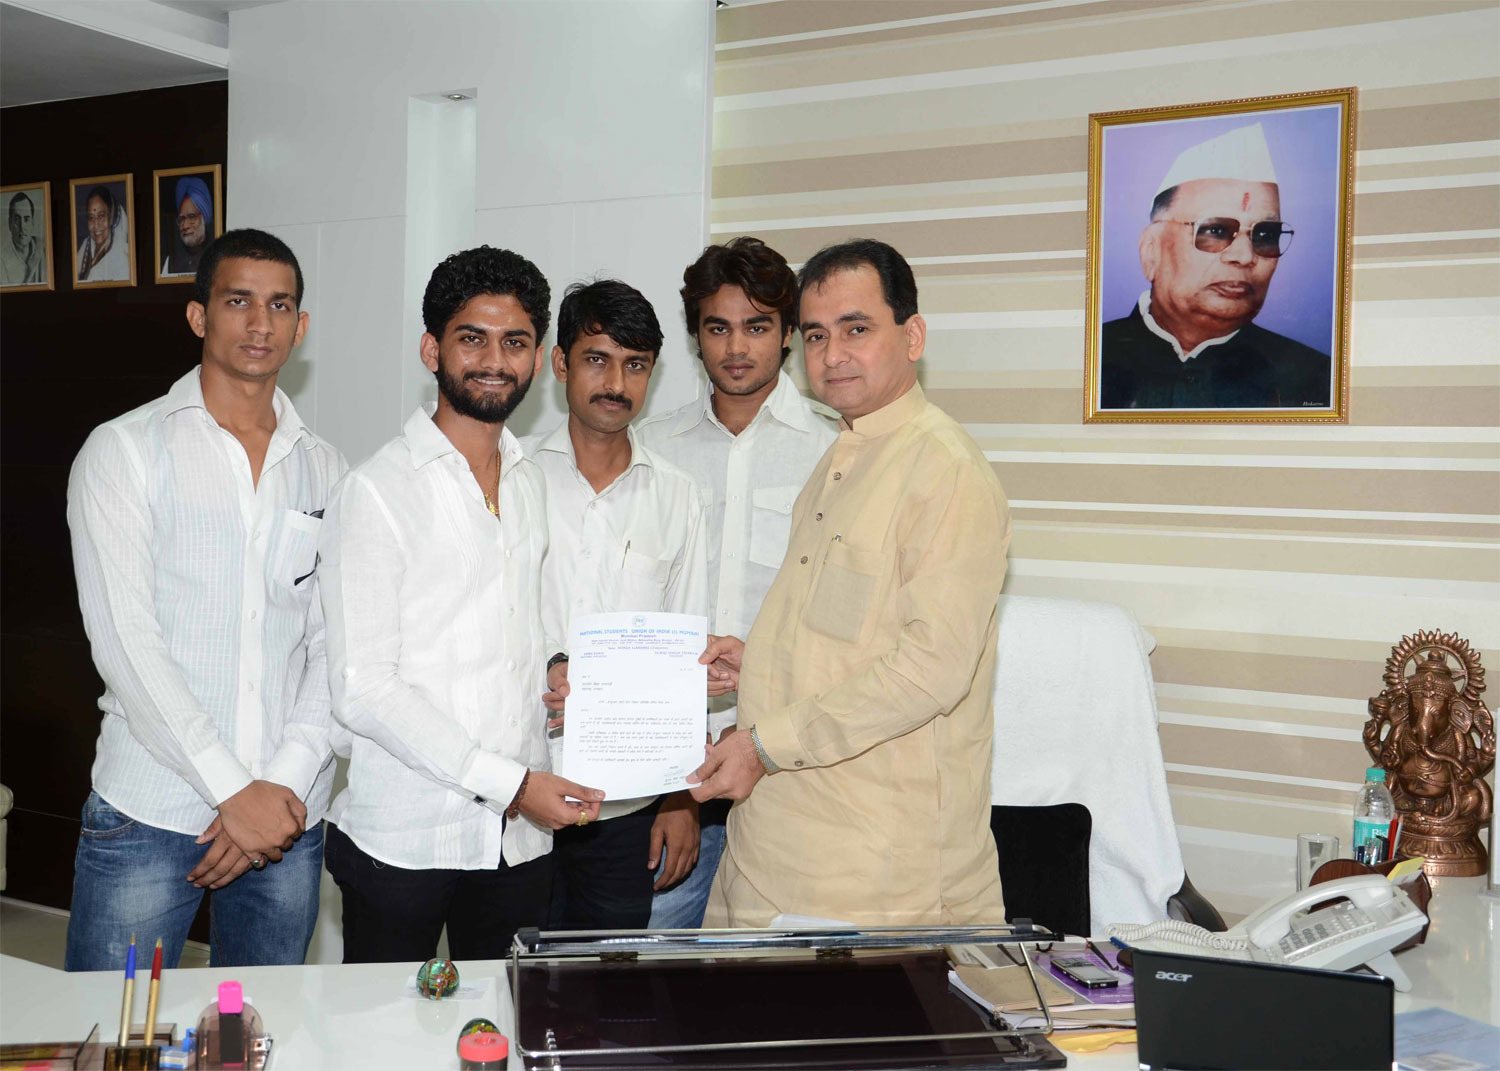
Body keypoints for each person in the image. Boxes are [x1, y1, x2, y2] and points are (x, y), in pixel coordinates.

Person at [688, 238, 1010, 927]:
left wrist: (764, 744)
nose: (832, 355)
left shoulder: (945, 470)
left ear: (912, 336)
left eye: (856, 329)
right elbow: (845, 635)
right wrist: (760, 661)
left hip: (874, 874)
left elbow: (930, 670)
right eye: (815, 335)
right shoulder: (840, 456)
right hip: (771, 849)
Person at [64, 229, 342, 970]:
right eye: (238, 301)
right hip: (151, 810)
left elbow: (334, 647)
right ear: (198, 316)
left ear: (300, 327)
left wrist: (277, 786)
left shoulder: (326, 468)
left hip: (287, 816)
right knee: (118, 1025)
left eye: (279, 305)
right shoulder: (124, 450)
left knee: (256, 1025)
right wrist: (232, 790)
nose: (260, 323)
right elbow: (127, 645)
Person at [319, 246, 604, 964]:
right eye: (472, 338)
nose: (495, 361)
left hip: (518, 843)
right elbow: (362, 687)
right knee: (387, 1023)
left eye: (515, 342)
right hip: (405, 837)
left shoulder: (529, 478)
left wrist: (556, 664)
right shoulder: (375, 491)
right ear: (432, 349)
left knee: (501, 1016)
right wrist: (512, 785)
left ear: (536, 358)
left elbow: (521, 620)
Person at [637, 236, 837, 927]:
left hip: (790, 774)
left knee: (773, 979)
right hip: (672, 781)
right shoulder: (650, 450)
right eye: (718, 327)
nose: (737, 347)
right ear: (696, 336)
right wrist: (675, 793)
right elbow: (639, 614)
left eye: (757, 326)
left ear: (786, 334)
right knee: (656, 971)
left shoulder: (834, 451)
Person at [526, 279, 709, 930]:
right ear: (560, 363)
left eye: (635, 365)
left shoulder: (676, 495)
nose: (616, 382)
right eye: (597, 359)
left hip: (627, 806)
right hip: (521, 794)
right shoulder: (514, 478)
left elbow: (689, 657)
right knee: (510, 971)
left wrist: (682, 800)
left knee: (606, 979)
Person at [1100, 122, 1331, 409]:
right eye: (1216, 231)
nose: (1244, 256)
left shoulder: (1314, 377)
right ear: (1151, 250)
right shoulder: (1089, 358)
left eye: (1265, 235)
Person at [77, 184, 131, 283]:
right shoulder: (86, 246)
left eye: (101, 216)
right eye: (91, 218)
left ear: (111, 216)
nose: (96, 225)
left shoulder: (122, 257)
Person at [161, 176, 213, 277]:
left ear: (204, 217)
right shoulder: (170, 262)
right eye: (181, 219)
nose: (185, 226)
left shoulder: (216, 258)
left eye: (192, 217)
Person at [1, 191, 46, 285]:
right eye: (17, 219)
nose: (22, 227)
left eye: (26, 219)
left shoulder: (45, 248)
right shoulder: (2, 259)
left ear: (32, 222)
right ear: (10, 223)